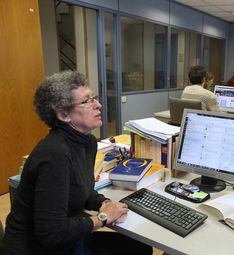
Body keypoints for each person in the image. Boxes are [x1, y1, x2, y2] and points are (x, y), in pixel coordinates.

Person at [0, 71, 152, 255]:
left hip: (68, 242)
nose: (99, 105)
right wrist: (103, 218)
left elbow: (83, 191)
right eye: (87, 101)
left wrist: (103, 203)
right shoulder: (54, 154)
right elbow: (51, 233)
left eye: (94, 98)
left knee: (140, 248)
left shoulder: (86, 142)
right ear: (64, 115)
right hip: (37, 249)